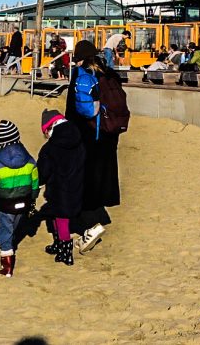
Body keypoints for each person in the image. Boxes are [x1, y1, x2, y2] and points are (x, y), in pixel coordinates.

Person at [65, 41, 122, 253]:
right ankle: (98, 214)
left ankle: (89, 227)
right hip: (109, 134)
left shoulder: (80, 74)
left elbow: (72, 109)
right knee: (101, 176)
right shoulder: (109, 73)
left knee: (82, 180)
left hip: (87, 134)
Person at [0, 120, 39, 277]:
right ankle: (11, 246)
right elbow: (35, 184)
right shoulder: (30, 160)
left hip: (5, 206)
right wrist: (33, 201)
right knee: (15, 226)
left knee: (5, 231)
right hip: (24, 202)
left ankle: (7, 267)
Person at [37, 110, 85, 266]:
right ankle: (59, 246)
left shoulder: (50, 148)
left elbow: (42, 172)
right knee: (59, 217)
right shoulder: (78, 139)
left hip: (58, 189)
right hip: (76, 185)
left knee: (61, 220)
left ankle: (66, 252)